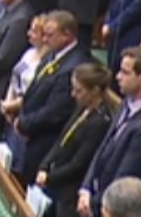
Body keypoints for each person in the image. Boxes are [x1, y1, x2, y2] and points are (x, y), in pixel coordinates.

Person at [77, 47, 141, 217]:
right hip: (97, 201)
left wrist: (94, 203)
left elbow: (126, 173)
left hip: (113, 212)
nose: (117, 77)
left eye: (125, 72)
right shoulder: (127, 103)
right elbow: (103, 148)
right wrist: (86, 188)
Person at [38, 62, 113, 217]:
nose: (73, 94)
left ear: (95, 91)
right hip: (56, 183)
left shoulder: (100, 121)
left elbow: (79, 163)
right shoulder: (81, 108)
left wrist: (50, 177)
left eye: (79, 91)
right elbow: (61, 141)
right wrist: (44, 166)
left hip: (70, 192)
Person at [6, 11, 83, 186]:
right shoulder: (53, 54)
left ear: (67, 35)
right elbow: (33, 88)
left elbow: (55, 112)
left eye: (50, 35)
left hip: (44, 141)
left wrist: (24, 123)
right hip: (29, 131)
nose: (45, 40)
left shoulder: (73, 66)